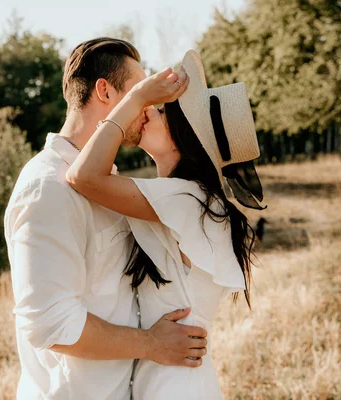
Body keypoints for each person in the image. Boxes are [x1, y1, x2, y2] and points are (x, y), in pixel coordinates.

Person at [4, 39, 209, 400]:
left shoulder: (108, 182)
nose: (147, 107)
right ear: (105, 91)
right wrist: (150, 344)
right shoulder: (46, 188)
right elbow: (50, 324)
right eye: (140, 92)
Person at [66, 49, 266, 399]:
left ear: (184, 133)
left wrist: (132, 97)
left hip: (175, 385)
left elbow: (83, 176)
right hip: (171, 378)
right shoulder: (186, 199)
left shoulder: (187, 199)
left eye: (159, 110)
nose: (147, 111)